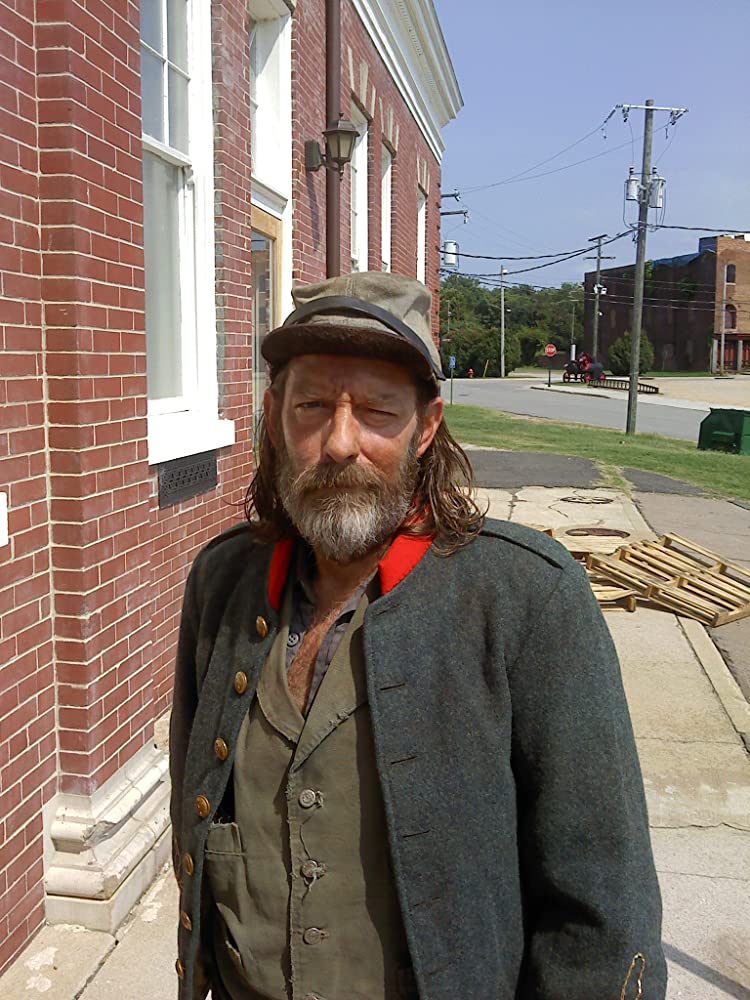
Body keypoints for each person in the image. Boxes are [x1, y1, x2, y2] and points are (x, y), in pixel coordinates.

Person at [169, 271, 666, 1000]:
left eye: (377, 411)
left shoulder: (527, 597)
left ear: (426, 426)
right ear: (274, 417)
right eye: (312, 406)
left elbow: (600, 905)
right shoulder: (222, 582)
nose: (340, 442)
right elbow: (196, 815)